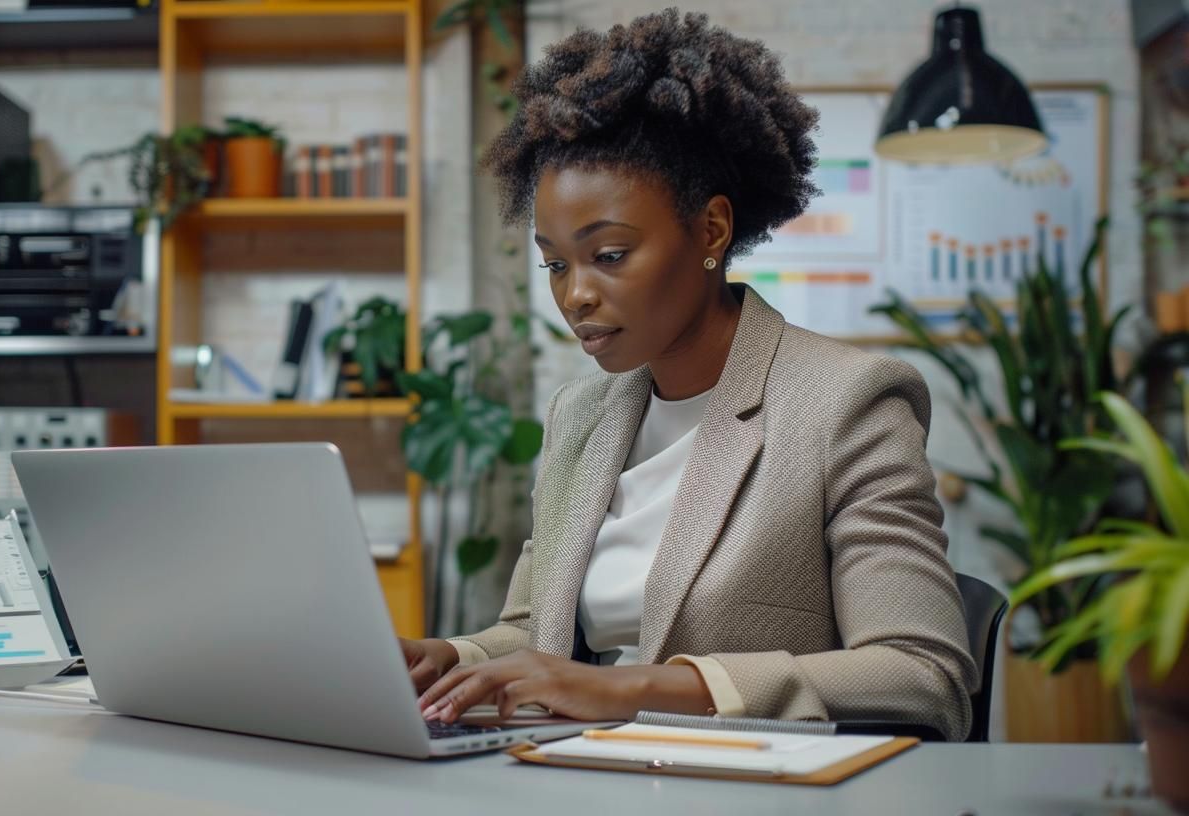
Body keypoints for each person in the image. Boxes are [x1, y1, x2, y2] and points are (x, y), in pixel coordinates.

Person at [399, 8, 978, 741]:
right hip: (577, 775)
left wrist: (630, 688)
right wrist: (446, 657)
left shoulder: (846, 404)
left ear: (711, 230)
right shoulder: (581, 416)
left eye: (609, 254)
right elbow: (533, 633)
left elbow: (922, 674)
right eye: (554, 263)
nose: (574, 293)